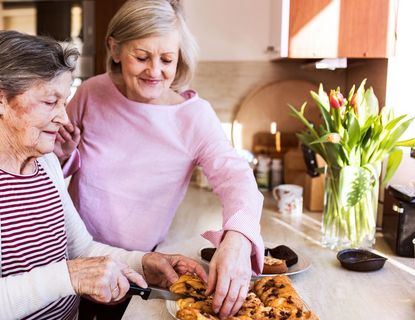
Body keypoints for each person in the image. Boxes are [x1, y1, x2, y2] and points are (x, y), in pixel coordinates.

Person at [0, 30, 206, 320]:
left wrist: (144, 263)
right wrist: (69, 276)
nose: (64, 117)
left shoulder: (46, 164)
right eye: (49, 102)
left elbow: (81, 249)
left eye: (63, 101)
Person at [54, 0, 265, 319]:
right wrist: (64, 153)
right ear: (115, 49)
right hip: (74, 257)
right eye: (142, 57)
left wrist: (238, 238)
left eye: (167, 59)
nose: (155, 71)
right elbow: (49, 171)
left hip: (138, 268)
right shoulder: (90, 93)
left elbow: (235, 177)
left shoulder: (193, 117)